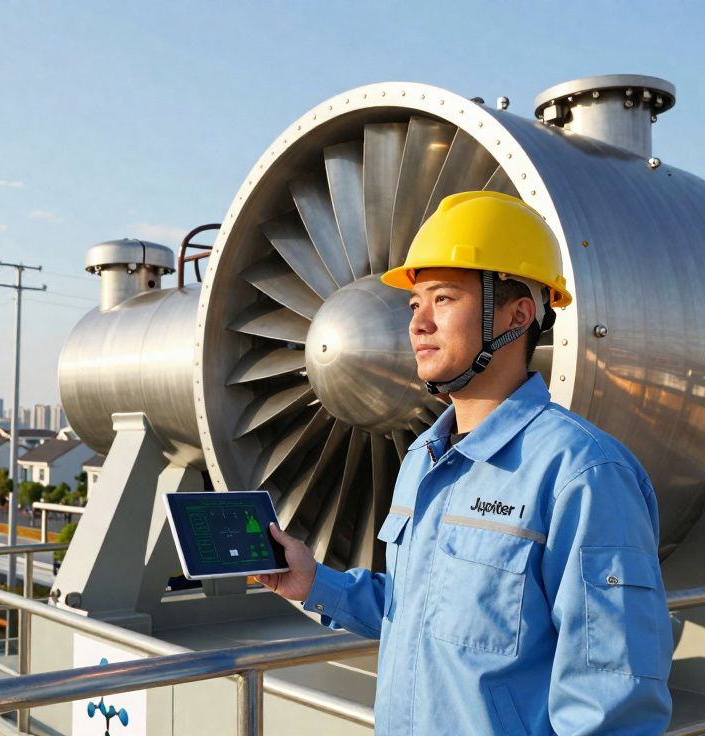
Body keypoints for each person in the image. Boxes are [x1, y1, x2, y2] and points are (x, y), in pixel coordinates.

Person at [257, 191, 673, 735]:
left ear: (518, 315)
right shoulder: (424, 459)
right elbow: (418, 613)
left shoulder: (582, 475)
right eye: (414, 305)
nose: (418, 323)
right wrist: (314, 584)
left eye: (444, 299)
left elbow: (613, 700)